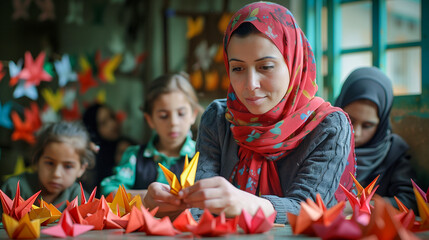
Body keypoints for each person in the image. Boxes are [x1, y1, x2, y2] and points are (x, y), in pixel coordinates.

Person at [143, 2, 356, 223]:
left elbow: (310, 211)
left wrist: (246, 203)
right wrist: (173, 205)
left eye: (265, 67)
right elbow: (201, 210)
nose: (250, 84)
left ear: (294, 63)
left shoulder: (328, 126)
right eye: (238, 68)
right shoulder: (218, 118)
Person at [100, 73, 203, 198]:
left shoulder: (203, 157)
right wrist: (145, 197)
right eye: (163, 116)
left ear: (193, 115)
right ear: (150, 120)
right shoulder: (135, 156)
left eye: (181, 113)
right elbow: (108, 191)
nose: (173, 123)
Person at [335, 66, 417, 213]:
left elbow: (411, 200)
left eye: (368, 125)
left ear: (381, 124)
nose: (356, 132)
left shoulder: (392, 153)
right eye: (349, 119)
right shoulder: (321, 145)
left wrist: (354, 206)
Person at [1, 121, 95, 211]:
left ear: (81, 169)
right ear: (37, 160)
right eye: (50, 163)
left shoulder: (78, 197)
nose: (56, 174)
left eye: (68, 166)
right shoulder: (13, 189)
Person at [82, 103, 124, 192]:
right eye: (104, 123)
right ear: (94, 130)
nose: (112, 124)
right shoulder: (92, 159)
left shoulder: (126, 146)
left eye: (112, 117)